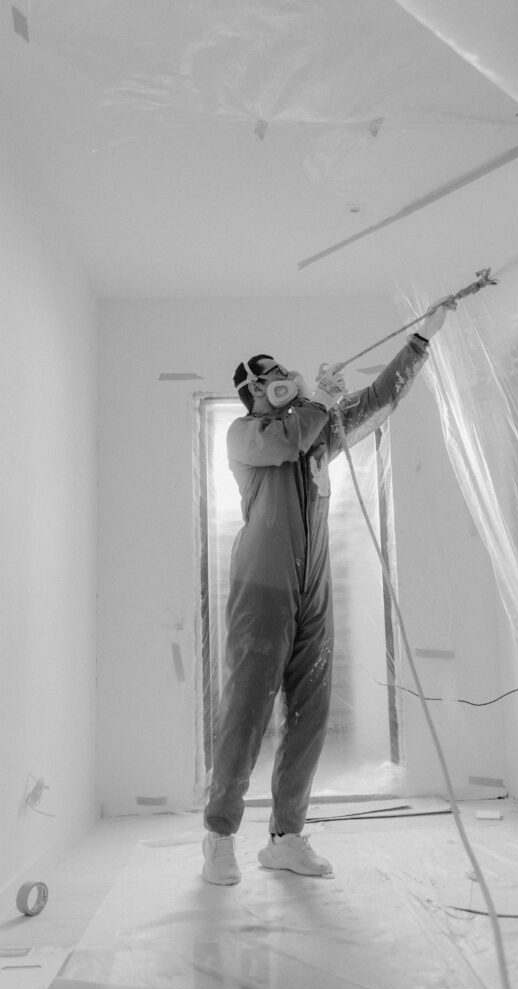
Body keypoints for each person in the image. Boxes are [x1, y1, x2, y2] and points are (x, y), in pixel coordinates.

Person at [202, 302, 451, 884]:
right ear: (254, 393)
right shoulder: (246, 436)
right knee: (246, 711)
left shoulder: (314, 434)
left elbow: (378, 401)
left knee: (310, 712)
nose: (283, 377)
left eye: (283, 369)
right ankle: (219, 837)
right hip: (261, 590)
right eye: (270, 377)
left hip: (313, 589)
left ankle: (286, 839)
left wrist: (420, 338)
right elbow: (289, 439)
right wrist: (317, 401)